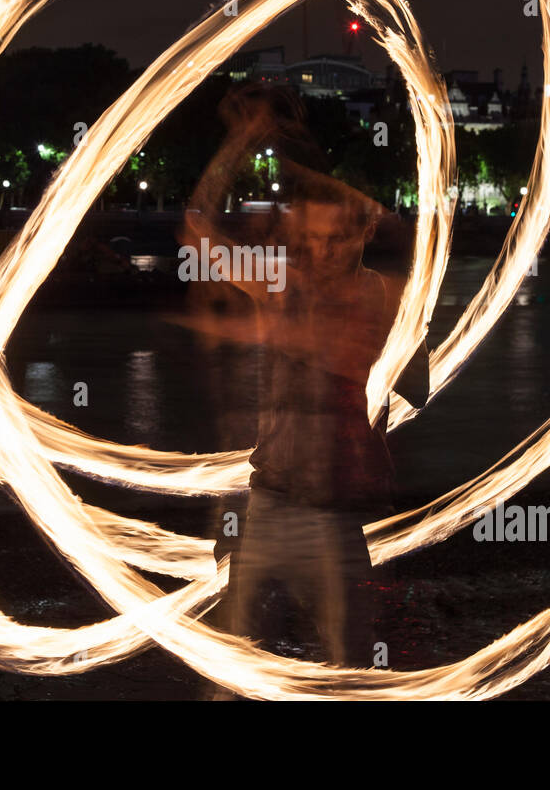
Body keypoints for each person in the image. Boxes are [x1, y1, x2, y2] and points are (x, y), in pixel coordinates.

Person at [176, 84, 429, 673]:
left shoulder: (390, 304)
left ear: (365, 232)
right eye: (309, 240)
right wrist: (240, 142)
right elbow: (197, 231)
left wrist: (376, 352)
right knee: (233, 663)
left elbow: (417, 389)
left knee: (352, 664)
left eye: (335, 239)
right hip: (268, 501)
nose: (321, 252)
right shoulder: (281, 285)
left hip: (338, 515)